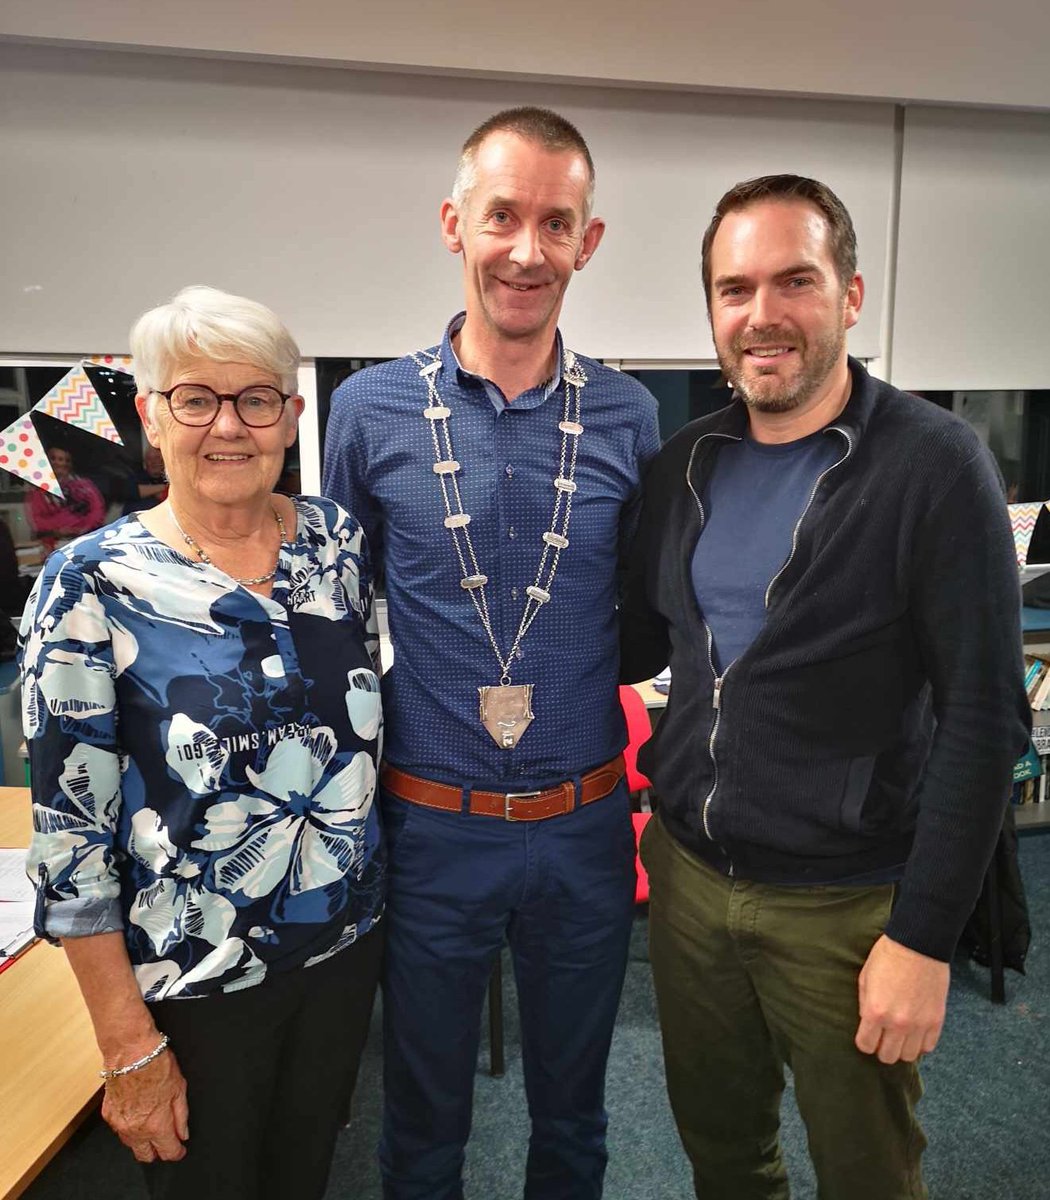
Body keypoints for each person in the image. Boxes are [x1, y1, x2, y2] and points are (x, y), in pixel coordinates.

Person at [620, 174, 1031, 1200]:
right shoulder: (684, 466)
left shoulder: (934, 466)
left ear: (850, 295)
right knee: (725, 1158)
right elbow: (630, 645)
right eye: (734, 288)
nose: (762, 315)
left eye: (794, 281)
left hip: (847, 906)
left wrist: (924, 937)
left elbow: (986, 718)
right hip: (689, 882)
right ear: (712, 310)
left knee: (868, 1176)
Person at [323, 106, 660, 1199]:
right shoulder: (367, 410)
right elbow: (338, 614)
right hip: (432, 831)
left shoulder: (630, 415)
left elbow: (649, 612)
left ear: (587, 242)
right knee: (422, 1123)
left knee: (576, 1117)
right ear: (453, 223)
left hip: (584, 829)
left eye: (555, 223)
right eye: (502, 216)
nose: (526, 249)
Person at [20, 285, 385, 1200]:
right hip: (192, 982)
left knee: (305, 1175)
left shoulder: (334, 546)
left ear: (291, 416)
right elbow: (72, 842)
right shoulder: (90, 585)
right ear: (152, 415)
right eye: (195, 398)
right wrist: (125, 1045)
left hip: (342, 953)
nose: (230, 425)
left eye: (257, 398)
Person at [24, 444, 107, 549]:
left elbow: (98, 510)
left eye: (65, 460)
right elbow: (35, 518)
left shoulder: (85, 485)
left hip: (85, 540)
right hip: (51, 544)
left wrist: (82, 528)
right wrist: (58, 530)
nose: (60, 463)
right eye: (54, 459)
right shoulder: (36, 490)